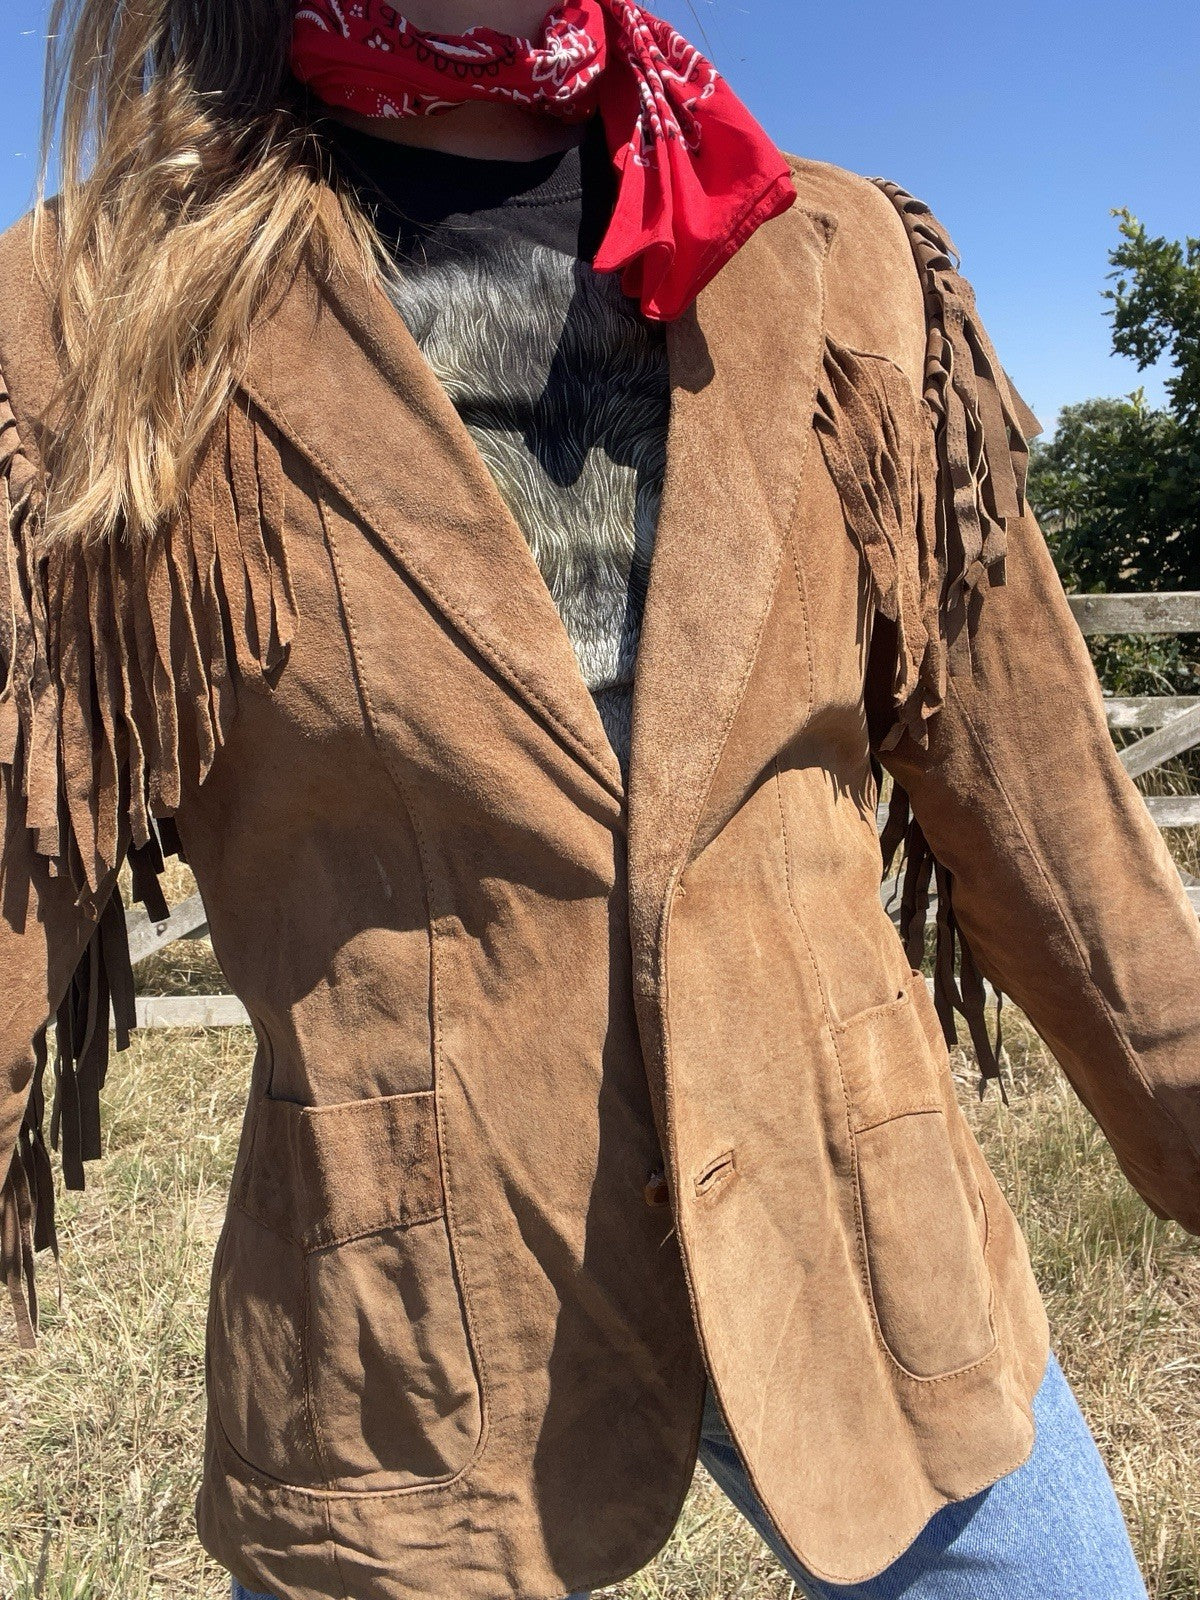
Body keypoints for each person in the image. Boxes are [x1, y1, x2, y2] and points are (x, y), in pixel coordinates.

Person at [1, 1, 1196, 1597]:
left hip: (864, 1242)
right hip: (421, 1332)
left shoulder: (840, 258)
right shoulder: (89, 319)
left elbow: (1053, 821)